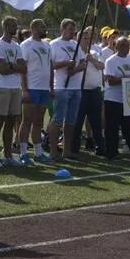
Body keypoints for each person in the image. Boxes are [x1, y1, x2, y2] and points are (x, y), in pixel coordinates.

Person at [0, 16, 26, 168]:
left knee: (11, 122)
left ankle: (8, 155)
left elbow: (24, 68)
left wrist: (11, 65)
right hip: (2, 87)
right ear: (5, 27)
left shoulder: (17, 46)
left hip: (15, 88)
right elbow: (2, 70)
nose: (15, 28)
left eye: (16, 25)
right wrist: (14, 66)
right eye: (12, 25)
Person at [18, 18, 52, 165]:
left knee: (38, 122)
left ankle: (38, 153)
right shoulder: (25, 45)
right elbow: (22, 70)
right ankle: (23, 153)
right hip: (31, 88)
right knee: (27, 121)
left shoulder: (47, 45)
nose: (44, 29)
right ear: (34, 29)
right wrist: (24, 89)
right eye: (42, 27)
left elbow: (50, 67)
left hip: (44, 89)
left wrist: (51, 87)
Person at [48, 19, 83, 160]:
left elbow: (83, 63)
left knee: (70, 121)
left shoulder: (76, 45)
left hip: (75, 87)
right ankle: (53, 150)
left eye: (74, 29)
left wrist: (74, 70)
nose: (72, 32)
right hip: (61, 87)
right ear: (62, 28)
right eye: (70, 29)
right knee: (57, 119)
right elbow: (51, 65)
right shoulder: (54, 44)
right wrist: (65, 64)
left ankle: (66, 150)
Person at [103, 36, 130, 160]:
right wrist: (127, 78)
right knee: (112, 128)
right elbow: (110, 80)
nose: (126, 48)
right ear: (116, 47)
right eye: (123, 46)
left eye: (127, 45)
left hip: (128, 98)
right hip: (113, 99)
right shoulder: (110, 61)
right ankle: (112, 152)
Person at [71, 26, 105, 157]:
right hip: (81, 92)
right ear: (78, 39)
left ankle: (100, 147)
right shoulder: (75, 53)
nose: (86, 40)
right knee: (77, 122)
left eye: (87, 38)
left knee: (96, 122)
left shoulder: (94, 53)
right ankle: (74, 148)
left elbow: (102, 66)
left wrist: (92, 59)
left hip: (95, 91)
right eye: (83, 38)